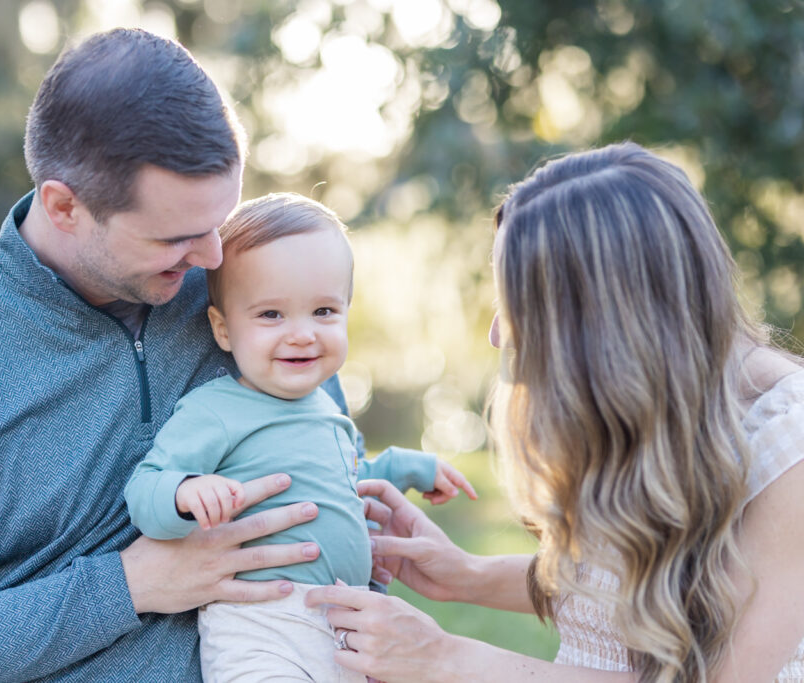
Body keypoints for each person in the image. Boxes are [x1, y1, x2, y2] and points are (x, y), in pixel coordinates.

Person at [0, 29, 336, 682]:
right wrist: (129, 584)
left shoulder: (249, 293)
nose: (213, 256)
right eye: (176, 237)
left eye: (220, 220)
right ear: (64, 206)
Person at [306, 142, 804, 682]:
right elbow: (630, 583)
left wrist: (446, 657)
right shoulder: (655, 407)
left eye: (518, 305)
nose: (498, 334)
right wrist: (465, 574)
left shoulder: (788, 444)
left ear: (602, 314)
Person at [124, 193, 476, 682]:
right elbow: (144, 490)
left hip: (344, 621)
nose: (302, 334)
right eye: (271, 315)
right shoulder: (216, 409)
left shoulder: (325, 408)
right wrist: (185, 492)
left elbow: (344, 480)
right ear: (223, 330)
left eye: (324, 311)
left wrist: (407, 468)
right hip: (261, 623)